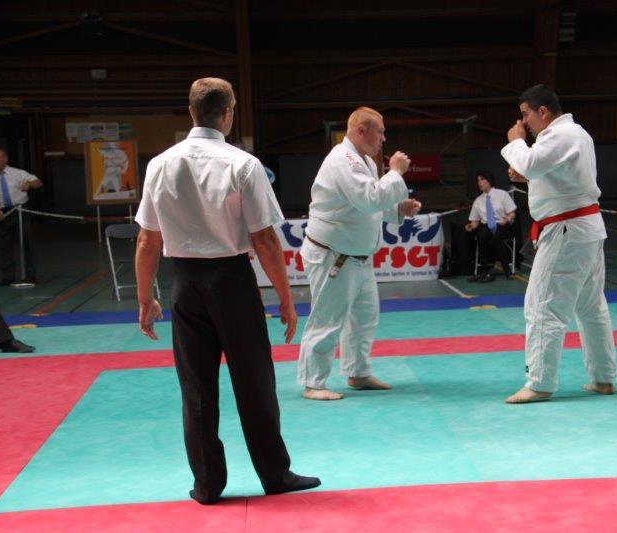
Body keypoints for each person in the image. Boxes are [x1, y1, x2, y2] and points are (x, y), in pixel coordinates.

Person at [134, 77, 319, 504]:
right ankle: (275, 474)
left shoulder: (160, 164)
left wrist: (145, 299)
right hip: (232, 281)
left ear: (191, 111)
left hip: (184, 283)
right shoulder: (243, 164)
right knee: (254, 381)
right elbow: (265, 239)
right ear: (229, 113)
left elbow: (147, 240)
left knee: (196, 386)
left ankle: (207, 485)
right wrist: (286, 297)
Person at [499, 84, 617, 404]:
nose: (524, 122)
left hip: (567, 231)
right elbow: (560, 178)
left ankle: (539, 383)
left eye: (526, 115)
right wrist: (530, 178)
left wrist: (515, 141)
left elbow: (530, 162)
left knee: (542, 305)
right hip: (584, 229)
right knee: (590, 307)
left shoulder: (559, 134)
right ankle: (603, 377)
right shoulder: (577, 134)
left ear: (543, 111)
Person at [298, 107, 421, 401]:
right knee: (328, 319)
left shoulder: (363, 160)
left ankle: (358, 372)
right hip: (334, 255)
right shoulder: (344, 160)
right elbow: (369, 199)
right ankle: (314, 382)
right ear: (362, 130)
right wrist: (396, 172)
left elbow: (364, 206)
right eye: (380, 132)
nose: (383, 138)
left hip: (359, 256)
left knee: (364, 318)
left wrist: (397, 209)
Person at [0, 148, 41, 285]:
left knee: (27, 242)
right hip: (2, 212)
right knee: (5, 245)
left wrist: (29, 184)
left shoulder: (18, 173)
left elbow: (37, 182)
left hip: (20, 210)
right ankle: (8, 277)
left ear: (5, 158)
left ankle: (30, 275)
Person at [465, 170, 517, 282]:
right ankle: (484, 272)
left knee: (496, 237)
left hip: (502, 225)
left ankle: (507, 271)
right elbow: (475, 222)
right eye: (478, 180)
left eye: (482, 179)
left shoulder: (502, 194)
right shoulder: (478, 200)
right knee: (481, 236)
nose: (480, 183)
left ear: (489, 181)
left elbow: (512, 213)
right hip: (487, 226)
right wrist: (471, 226)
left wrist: (507, 219)